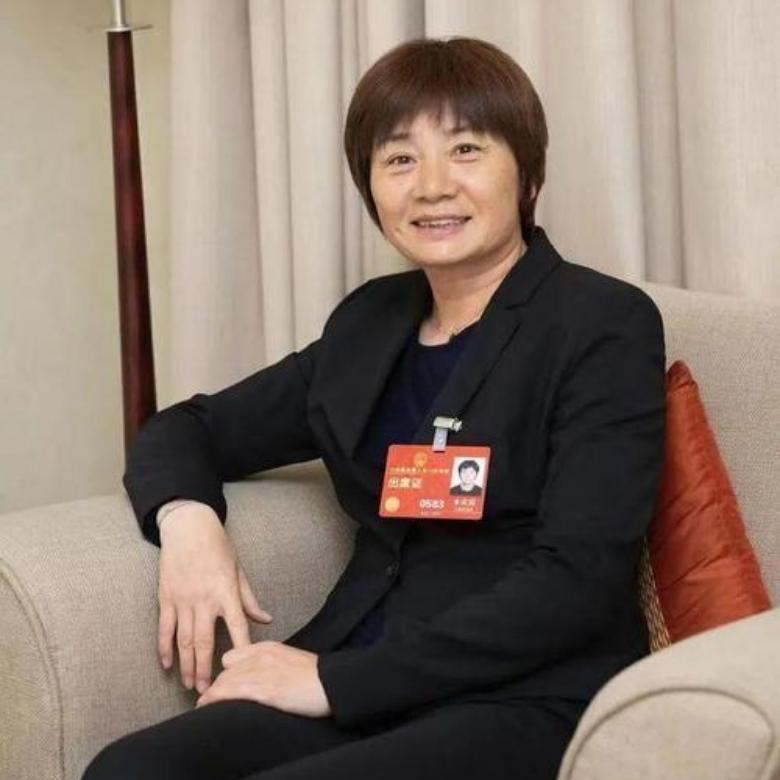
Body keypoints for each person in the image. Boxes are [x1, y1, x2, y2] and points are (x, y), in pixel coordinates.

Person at [83, 36, 666, 780]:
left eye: (465, 150)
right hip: (359, 680)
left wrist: (332, 680)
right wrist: (188, 523)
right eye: (399, 159)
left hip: (521, 696)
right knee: (128, 771)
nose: (431, 186)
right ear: (371, 188)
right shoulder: (370, 325)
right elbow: (185, 427)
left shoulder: (601, 323)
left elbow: (577, 581)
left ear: (527, 172)